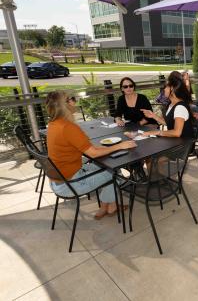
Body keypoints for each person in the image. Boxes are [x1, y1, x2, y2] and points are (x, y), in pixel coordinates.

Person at [46, 91, 136, 219]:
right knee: (114, 173)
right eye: (72, 99)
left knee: (105, 168)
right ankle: (110, 206)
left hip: (59, 179)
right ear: (65, 105)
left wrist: (108, 148)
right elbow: (93, 153)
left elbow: (89, 149)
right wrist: (120, 146)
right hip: (71, 184)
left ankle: (107, 206)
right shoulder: (68, 127)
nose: (74, 101)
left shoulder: (53, 125)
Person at [140, 71, 194, 138]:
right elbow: (168, 123)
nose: (164, 89)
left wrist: (157, 132)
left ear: (172, 89)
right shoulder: (171, 104)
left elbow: (177, 133)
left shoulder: (180, 107)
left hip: (184, 145)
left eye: (166, 87)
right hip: (175, 142)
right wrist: (153, 116)